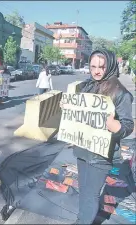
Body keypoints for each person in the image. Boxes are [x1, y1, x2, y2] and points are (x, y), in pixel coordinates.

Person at [60, 50, 134, 225]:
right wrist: (68, 107)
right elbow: (79, 113)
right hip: (83, 150)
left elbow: (128, 126)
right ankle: (82, 219)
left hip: (101, 154)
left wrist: (118, 127)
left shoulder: (120, 93)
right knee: (84, 191)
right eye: (93, 66)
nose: (97, 71)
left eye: (101, 66)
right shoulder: (87, 85)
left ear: (110, 66)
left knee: (91, 195)